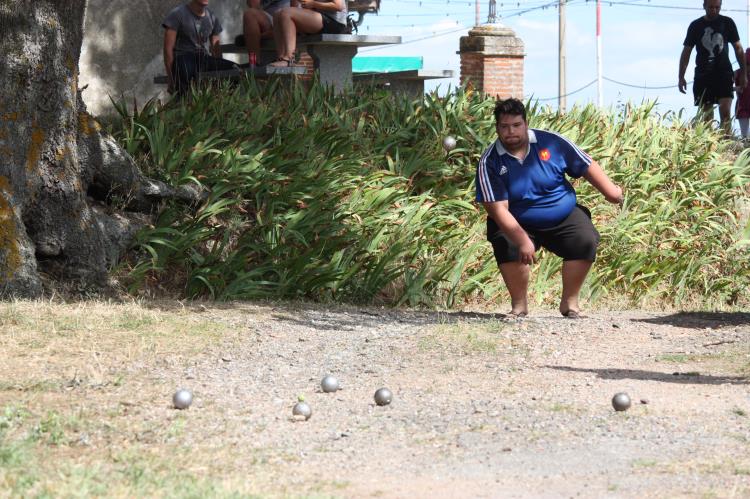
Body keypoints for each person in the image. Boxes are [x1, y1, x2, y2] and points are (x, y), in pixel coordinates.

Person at [475, 98, 623, 319]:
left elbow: (585, 164)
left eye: (516, 125)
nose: (511, 132)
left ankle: (570, 304)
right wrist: (523, 241)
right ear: (497, 128)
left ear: (526, 124)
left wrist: (612, 192)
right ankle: (519, 306)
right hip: (516, 220)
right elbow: (498, 210)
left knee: (585, 238)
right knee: (507, 242)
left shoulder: (551, 142)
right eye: (504, 127)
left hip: (562, 213)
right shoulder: (489, 162)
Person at [678, 0, 747, 133]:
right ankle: (708, 148)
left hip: (724, 73)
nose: (714, 10)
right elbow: (686, 51)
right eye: (711, 7)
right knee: (706, 116)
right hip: (703, 75)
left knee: (725, 112)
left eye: (717, 7)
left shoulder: (727, 23)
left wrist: (743, 74)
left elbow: (738, 48)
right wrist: (681, 76)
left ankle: (726, 145)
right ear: (704, 6)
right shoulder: (695, 26)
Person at [162, 0, 237, 96]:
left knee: (234, 69)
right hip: (184, 57)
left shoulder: (212, 17)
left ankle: (223, 103)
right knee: (185, 70)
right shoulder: (177, 14)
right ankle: (185, 103)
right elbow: (167, 49)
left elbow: (216, 49)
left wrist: (220, 72)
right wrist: (171, 78)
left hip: (203, 58)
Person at [269, 0, 348, 67]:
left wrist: (313, 4)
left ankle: (289, 58)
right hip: (318, 19)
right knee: (278, 14)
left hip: (335, 22)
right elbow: (293, 7)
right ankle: (281, 57)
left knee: (286, 13)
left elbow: (338, 6)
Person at [242, 0, 290, 65]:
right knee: (249, 14)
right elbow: (253, 4)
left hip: (287, 17)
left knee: (283, 14)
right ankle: (253, 62)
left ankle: (256, 35)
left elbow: (296, 5)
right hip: (269, 20)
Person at [735, 48, 750, 137]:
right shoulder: (737, 73)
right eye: (747, 64)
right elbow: (725, 87)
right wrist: (736, 88)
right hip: (742, 108)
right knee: (745, 137)